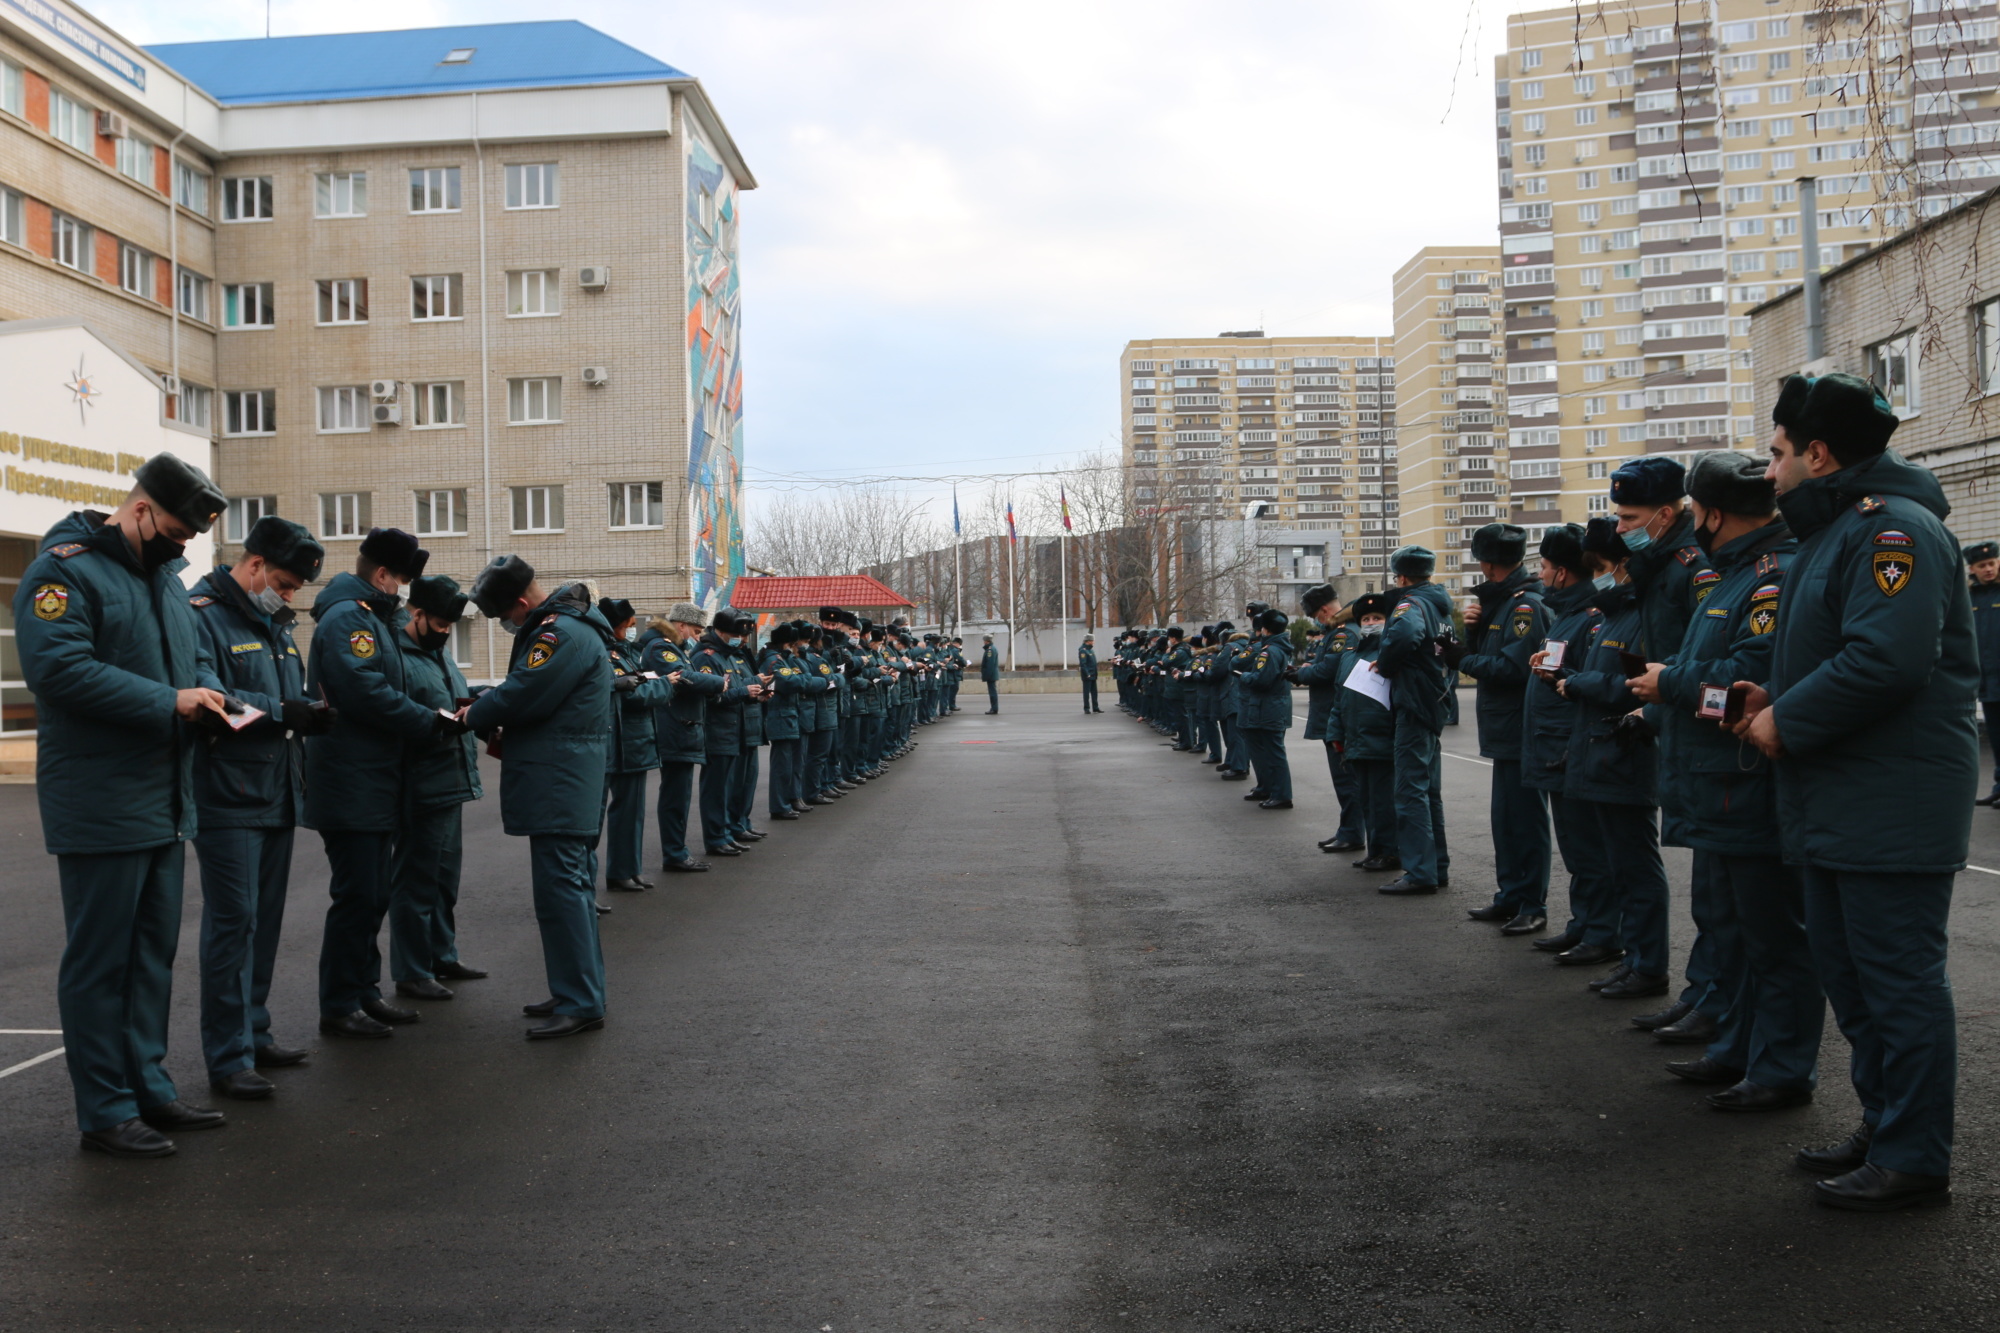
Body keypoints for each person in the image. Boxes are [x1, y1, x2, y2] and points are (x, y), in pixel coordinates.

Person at [1737, 372, 1975, 1211]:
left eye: (1776, 454)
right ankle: (1886, 1123)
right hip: (1844, 797)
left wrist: (1785, 722)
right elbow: (1829, 655)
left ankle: (1914, 1154)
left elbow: (1887, 660)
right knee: (1854, 978)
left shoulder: (1890, 531)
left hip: (1889, 801)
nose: (1768, 472)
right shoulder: (1836, 531)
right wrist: (1774, 701)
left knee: (1897, 983)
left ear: (1819, 452)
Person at [16, 453, 231, 1157]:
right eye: (174, 531)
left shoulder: (166, 581)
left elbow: (190, 655)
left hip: (165, 799)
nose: (182, 547)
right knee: (101, 962)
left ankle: (149, 1089)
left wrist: (205, 687)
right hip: (100, 799)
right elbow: (59, 670)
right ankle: (105, 1110)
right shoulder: (65, 570)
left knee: (150, 958)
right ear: (140, 511)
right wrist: (171, 701)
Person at [1628, 451, 1821, 1106]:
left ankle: (1780, 1068)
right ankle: (1737, 1046)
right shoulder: (1733, 575)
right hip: (1717, 786)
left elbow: (1749, 685)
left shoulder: (1771, 579)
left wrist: (1670, 684)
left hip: (1746, 785)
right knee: (1734, 930)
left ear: (1709, 513)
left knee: (1773, 938)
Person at [187, 516, 328, 1100]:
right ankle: (227, 1057)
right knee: (232, 926)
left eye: (295, 589)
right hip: (226, 796)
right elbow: (212, 698)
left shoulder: (275, 624)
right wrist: (281, 711)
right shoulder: (201, 616)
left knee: (264, 922)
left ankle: (254, 1031)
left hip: (274, 792)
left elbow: (284, 699)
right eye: (285, 584)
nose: (289, 596)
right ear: (252, 567)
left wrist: (309, 711)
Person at [466, 556, 619, 1039]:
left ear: (519, 603)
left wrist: (469, 714)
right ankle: (574, 989)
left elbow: (523, 693)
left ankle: (581, 1000)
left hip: (560, 779)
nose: (509, 625)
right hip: (563, 774)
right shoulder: (566, 627)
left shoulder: (559, 633)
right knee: (562, 893)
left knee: (563, 892)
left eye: (506, 618)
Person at [305, 527, 439, 1040]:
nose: (404, 590)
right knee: (358, 895)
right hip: (351, 779)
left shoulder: (370, 617)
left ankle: (364, 992)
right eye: (402, 579)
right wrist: (424, 720)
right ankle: (340, 1004)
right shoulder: (349, 619)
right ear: (381, 575)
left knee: (373, 893)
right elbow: (363, 689)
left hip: (372, 778)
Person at [388, 576, 487, 995]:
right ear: (417, 614)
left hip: (451, 780)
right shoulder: (395, 654)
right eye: (441, 625)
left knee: (445, 879)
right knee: (416, 881)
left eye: (451, 626)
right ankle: (412, 970)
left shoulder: (436, 652)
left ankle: (441, 954)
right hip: (421, 783)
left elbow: (451, 696)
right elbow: (397, 712)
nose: (446, 633)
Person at [1453, 524, 1551, 933]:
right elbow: (1494, 653)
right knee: (1505, 820)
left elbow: (1513, 668)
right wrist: (1474, 632)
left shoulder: (1525, 606)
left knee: (1525, 822)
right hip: (1504, 729)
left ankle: (1531, 904)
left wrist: (1461, 658)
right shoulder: (1503, 603)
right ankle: (1510, 895)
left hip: (1521, 728)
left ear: (1486, 561)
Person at [1522, 526, 1610, 958]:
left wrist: (1559, 679)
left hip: (1571, 748)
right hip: (1556, 749)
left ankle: (1601, 932)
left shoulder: (1590, 616)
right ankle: (1584, 924)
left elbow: (1588, 685)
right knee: (1576, 848)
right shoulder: (1568, 615)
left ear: (1561, 573)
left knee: (1589, 849)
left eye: (1543, 567)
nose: (1539, 575)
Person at [1374, 546, 1454, 895]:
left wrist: (1386, 663)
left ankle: (1420, 872)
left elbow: (1405, 635)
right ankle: (1435, 866)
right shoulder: (1439, 606)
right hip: (1433, 698)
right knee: (1427, 790)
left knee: (1409, 790)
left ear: (1402, 577)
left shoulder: (1410, 604)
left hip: (1413, 700)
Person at [642, 603, 723, 873]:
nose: (697, 638)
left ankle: (677, 852)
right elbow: (685, 678)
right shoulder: (660, 648)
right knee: (675, 797)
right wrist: (717, 683)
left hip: (682, 730)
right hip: (674, 730)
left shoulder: (675, 648)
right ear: (681, 626)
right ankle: (675, 853)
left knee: (680, 796)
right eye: (696, 631)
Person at [1325, 593, 1396, 869]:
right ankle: (1375, 851)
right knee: (1366, 799)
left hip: (1382, 736)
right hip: (1356, 738)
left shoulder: (1391, 654)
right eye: (1366, 619)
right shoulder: (1349, 656)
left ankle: (1389, 851)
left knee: (1384, 802)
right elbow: (1339, 698)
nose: (1370, 623)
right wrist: (1335, 733)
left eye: (1377, 618)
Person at [599, 598, 664, 894]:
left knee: (633, 813)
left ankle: (629, 868)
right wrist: (666, 685)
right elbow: (632, 694)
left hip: (634, 742)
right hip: (618, 741)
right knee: (613, 814)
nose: (630, 630)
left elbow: (637, 684)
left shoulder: (625, 652)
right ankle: (617, 872)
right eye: (626, 625)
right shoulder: (605, 653)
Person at [1294, 587, 1363, 851]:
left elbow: (1330, 669)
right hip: (1335, 713)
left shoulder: (1344, 632)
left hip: (1338, 714)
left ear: (1323, 611)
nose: (1315, 621)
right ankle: (1348, 829)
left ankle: (1352, 833)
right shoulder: (1339, 631)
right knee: (1343, 779)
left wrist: (1301, 674)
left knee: (1346, 779)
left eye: (1314, 616)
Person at [1234, 608, 1294, 809]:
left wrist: (1243, 676)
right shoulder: (1277, 648)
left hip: (1268, 706)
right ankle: (1267, 788)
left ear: (1265, 629)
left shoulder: (1269, 651)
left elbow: (1262, 680)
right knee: (1262, 751)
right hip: (1268, 706)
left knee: (1273, 753)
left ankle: (1281, 794)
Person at [1966, 541, 2000, 806]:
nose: (1988, 569)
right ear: (1972, 569)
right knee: (1997, 736)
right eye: (1982, 565)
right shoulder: (1969, 597)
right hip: (1988, 681)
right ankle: (1999, 785)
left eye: (1992, 563)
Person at [1078, 635, 1101, 713]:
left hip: (1093, 674)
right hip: (1087, 675)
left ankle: (1095, 707)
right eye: (1092, 641)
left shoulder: (1091, 650)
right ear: (1088, 641)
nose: (1094, 642)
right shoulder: (1083, 650)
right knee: (1087, 693)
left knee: (1094, 692)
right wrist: (1087, 673)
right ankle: (1086, 708)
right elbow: (1083, 664)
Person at [980, 635, 1001, 713]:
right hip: (992, 674)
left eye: (984, 640)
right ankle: (993, 708)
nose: (983, 642)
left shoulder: (990, 650)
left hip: (991, 675)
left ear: (986, 641)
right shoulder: (991, 649)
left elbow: (990, 664)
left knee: (992, 692)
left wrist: (987, 675)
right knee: (992, 691)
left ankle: (994, 708)